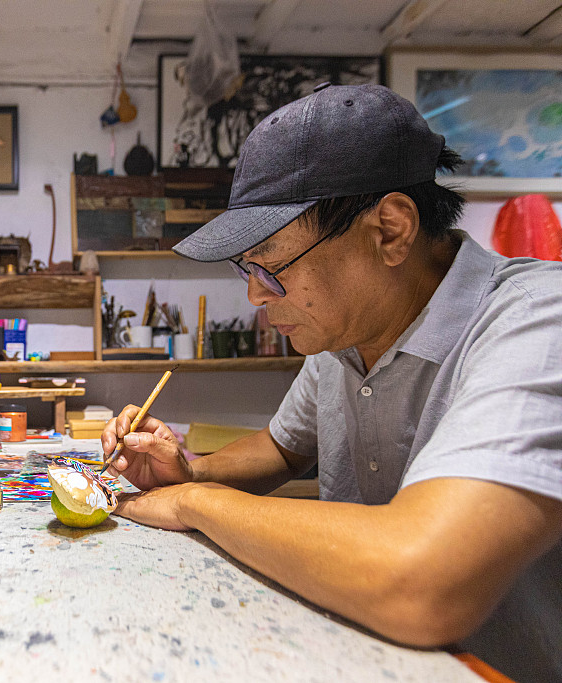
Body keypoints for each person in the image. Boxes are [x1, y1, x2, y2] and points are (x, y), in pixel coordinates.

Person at [102, 83, 562, 683]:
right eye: (248, 268)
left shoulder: (535, 323)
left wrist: (194, 502)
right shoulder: (345, 326)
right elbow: (281, 448)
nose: (255, 295)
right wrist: (188, 468)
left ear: (390, 230)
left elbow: (422, 581)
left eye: (273, 263)